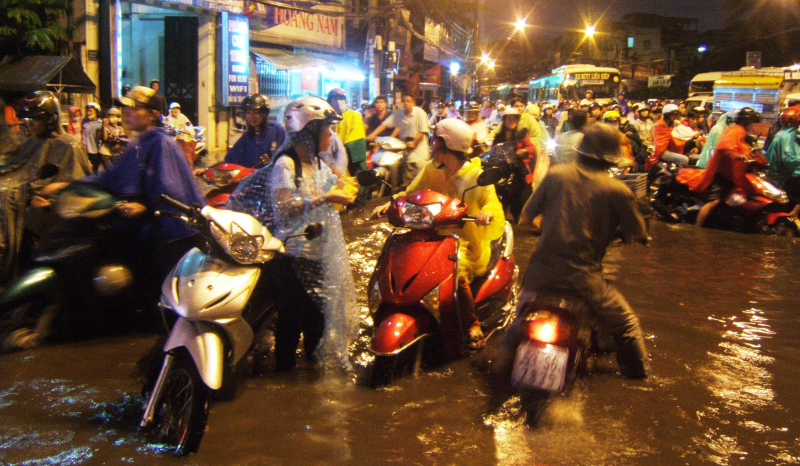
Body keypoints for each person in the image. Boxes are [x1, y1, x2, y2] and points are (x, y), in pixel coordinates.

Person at [501, 122, 650, 380]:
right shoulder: (618, 190)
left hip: (539, 275)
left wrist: (544, 224)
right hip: (585, 282)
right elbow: (637, 233)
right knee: (627, 325)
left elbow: (526, 217)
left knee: (516, 324)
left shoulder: (557, 174)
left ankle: (501, 367)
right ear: (612, 158)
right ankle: (640, 380)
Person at [227, 96, 358, 371]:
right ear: (307, 132)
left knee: (318, 316)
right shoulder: (286, 165)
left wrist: (346, 190)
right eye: (325, 129)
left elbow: (337, 185)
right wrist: (324, 198)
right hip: (291, 255)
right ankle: (284, 374)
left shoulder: (318, 163)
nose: (330, 135)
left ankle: (311, 373)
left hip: (318, 251)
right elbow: (284, 208)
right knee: (290, 319)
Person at [371, 118, 505, 350]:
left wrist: (485, 213)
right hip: (428, 234)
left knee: (458, 273)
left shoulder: (476, 176)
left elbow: (491, 204)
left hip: (461, 241)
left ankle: (471, 323)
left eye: (435, 141)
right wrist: (393, 203)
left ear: (447, 145)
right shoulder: (431, 169)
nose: (431, 145)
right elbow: (411, 192)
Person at [690, 107, 764, 227]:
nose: (752, 125)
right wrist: (738, 155)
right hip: (723, 173)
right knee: (714, 201)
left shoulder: (742, 132)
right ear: (746, 122)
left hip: (734, 173)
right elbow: (724, 147)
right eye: (751, 122)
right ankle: (697, 227)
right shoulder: (734, 130)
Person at [366, 93, 430, 187]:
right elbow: (385, 125)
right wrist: (372, 135)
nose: (405, 103)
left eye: (408, 101)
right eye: (404, 101)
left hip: (419, 153)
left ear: (413, 103)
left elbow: (423, 130)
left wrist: (414, 141)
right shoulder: (398, 114)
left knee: (417, 181)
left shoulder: (420, 113)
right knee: (406, 179)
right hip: (404, 151)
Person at [490, 107, 536, 221]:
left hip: (517, 169)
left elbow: (531, 147)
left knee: (521, 194)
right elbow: (493, 150)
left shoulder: (521, 135)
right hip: (503, 169)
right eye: (509, 119)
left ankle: (519, 215)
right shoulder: (499, 136)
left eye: (514, 119)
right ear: (504, 121)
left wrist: (524, 151)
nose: (511, 121)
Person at [223, 94, 287, 169]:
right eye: (248, 113)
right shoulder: (247, 137)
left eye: (255, 112)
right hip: (251, 178)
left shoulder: (277, 131)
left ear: (264, 113)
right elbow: (230, 158)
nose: (251, 117)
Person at [765, 104, 800, 217]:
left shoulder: (786, 133)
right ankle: (794, 214)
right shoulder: (786, 136)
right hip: (783, 177)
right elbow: (789, 159)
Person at [645, 104, 698, 170]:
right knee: (684, 159)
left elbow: (682, 136)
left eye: (676, 114)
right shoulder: (658, 125)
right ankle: (680, 178)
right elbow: (659, 143)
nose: (675, 116)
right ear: (667, 115)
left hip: (673, 148)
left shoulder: (675, 123)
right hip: (662, 151)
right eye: (673, 114)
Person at [327, 88, 368, 174]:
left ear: (345, 101)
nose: (338, 101)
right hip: (329, 157)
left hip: (349, 157)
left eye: (341, 99)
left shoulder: (354, 115)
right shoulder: (327, 117)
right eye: (334, 99)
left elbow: (356, 140)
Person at [166, 102, 196, 166]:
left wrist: (186, 130)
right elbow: (167, 125)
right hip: (173, 138)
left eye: (177, 109)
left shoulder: (182, 117)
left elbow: (189, 125)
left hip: (183, 138)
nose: (176, 110)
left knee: (187, 154)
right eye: (174, 109)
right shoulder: (169, 118)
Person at [82, 102, 104, 172]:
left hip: (94, 151)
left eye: (90, 111)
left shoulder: (100, 123)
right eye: (87, 111)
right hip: (84, 150)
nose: (88, 113)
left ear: (96, 111)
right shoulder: (84, 121)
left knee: (94, 171)